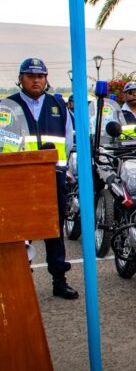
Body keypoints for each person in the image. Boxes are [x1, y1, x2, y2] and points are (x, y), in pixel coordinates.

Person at [8, 58, 78, 299]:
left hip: (52, 176)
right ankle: (21, 280)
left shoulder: (57, 106)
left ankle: (59, 280)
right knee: (18, 231)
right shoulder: (7, 107)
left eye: (40, 75)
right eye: (30, 75)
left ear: (46, 79)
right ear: (20, 79)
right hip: (18, 179)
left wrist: (62, 168)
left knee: (54, 229)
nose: (36, 80)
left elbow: (68, 140)